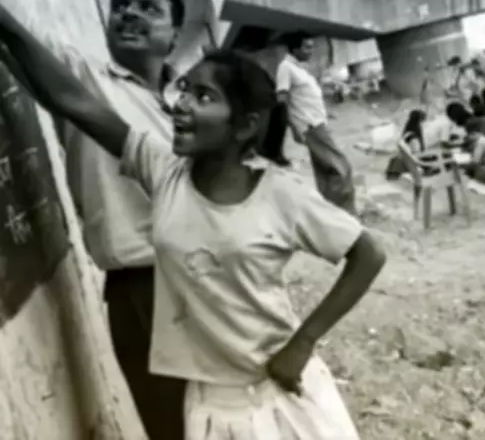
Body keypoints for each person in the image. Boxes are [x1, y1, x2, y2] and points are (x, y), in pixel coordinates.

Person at [0, 26, 386, 438]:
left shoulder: (279, 195)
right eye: (184, 90)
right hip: (211, 405)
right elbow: (72, 101)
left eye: (204, 97)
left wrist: (303, 342)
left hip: (276, 392)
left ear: (244, 125)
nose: (182, 104)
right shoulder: (163, 171)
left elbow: (368, 254)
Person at [0, 0, 186, 439]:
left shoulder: (193, 99)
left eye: (148, 8)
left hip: (211, 278)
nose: (129, 13)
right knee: (173, 427)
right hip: (141, 291)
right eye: (121, 5)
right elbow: (31, 57)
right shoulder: (82, 75)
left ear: (174, 33)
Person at [276, 33, 356, 213]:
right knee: (341, 168)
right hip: (311, 126)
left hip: (318, 123)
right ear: (295, 49)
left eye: (312, 47)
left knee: (325, 172)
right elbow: (282, 100)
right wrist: (294, 127)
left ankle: (330, 213)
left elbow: (305, 96)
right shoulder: (286, 68)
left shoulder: (299, 68)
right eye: (306, 47)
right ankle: (348, 214)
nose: (311, 51)